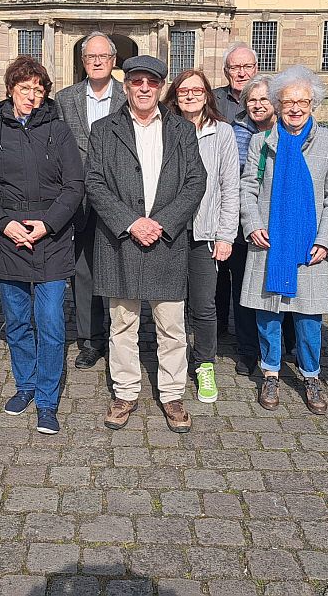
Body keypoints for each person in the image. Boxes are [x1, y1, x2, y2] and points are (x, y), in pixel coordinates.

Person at [86, 55, 207, 433]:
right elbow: (94, 183)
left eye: (150, 82)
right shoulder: (104, 130)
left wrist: (162, 223)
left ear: (160, 88)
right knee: (122, 323)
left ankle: (171, 394)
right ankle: (125, 392)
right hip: (121, 241)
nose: (143, 88)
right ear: (126, 86)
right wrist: (130, 222)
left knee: (171, 325)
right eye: (136, 81)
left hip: (166, 242)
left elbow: (194, 182)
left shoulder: (182, 131)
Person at [0, 56, 84, 435]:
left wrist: (47, 223)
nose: (31, 96)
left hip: (50, 237)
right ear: (10, 91)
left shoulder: (60, 131)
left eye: (38, 89)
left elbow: (74, 186)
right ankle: (26, 385)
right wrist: (3, 223)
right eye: (24, 89)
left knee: (49, 321)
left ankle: (47, 400)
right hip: (7, 239)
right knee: (17, 321)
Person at [240, 65, 328, 415]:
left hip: (307, 242)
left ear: (313, 103)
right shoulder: (262, 140)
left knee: (308, 316)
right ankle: (270, 372)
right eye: (288, 102)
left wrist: (327, 240)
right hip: (270, 240)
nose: (296, 108)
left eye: (303, 101)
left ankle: (311, 375)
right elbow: (247, 187)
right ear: (277, 104)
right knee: (268, 312)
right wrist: (252, 223)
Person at [161, 70, 239, 404]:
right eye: (183, 90)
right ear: (175, 96)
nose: (190, 95)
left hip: (205, 232)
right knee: (169, 304)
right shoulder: (162, 128)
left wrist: (226, 235)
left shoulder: (222, 133)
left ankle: (204, 363)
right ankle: (173, 363)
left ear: (208, 94)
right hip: (169, 230)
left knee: (204, 305)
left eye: (197, 90)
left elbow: (230, 186)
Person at [54, 31, 127, 370]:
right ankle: (89, 340)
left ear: (113, 61)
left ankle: (120, 337)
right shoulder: (65, 99)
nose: (97, 62)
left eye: (103, 57)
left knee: (117, 270)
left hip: (119, 198)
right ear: (83, 62)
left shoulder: (127, 98)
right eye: (90, 57)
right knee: (83, 272)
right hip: (79, 201)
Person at [222, 73, 278, 374]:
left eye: (263, 99)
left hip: (279, 221)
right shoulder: (236, 131)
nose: (257, 105)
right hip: (246, 222)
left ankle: (279, 346)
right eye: (252, 100)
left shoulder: (289, 131)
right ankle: (247, 349)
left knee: (276, 288)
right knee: (244, 288)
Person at [212, 41, 259, 124]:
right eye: (234, 68)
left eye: (248, 67)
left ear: (256, 69)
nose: (242, 74)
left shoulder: (270, 100)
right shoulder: (212, 99)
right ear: (226, 72)